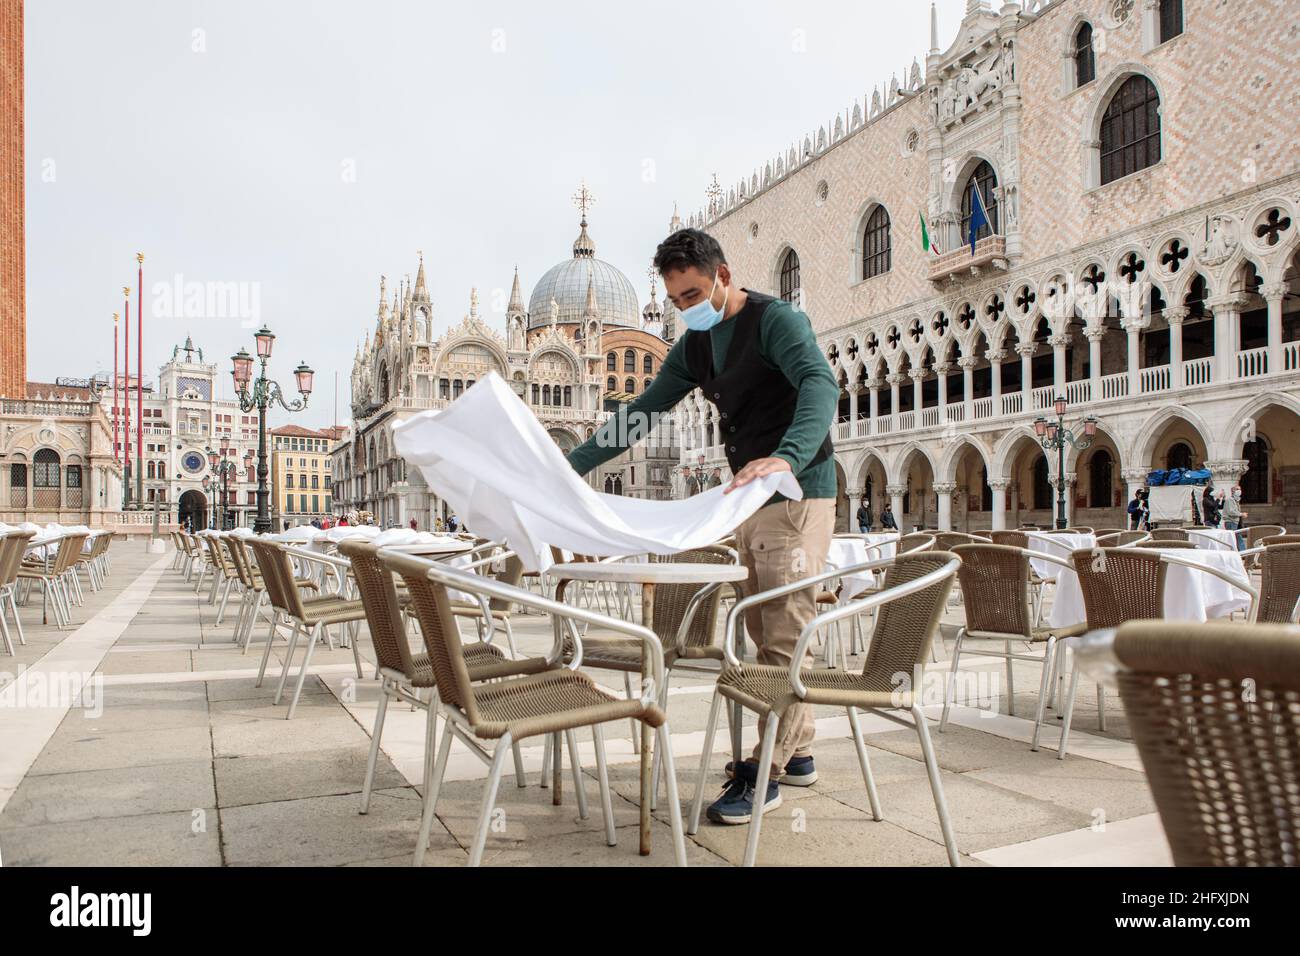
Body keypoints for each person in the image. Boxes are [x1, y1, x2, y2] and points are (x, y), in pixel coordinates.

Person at [565, 227, 838, 825]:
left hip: (797, 492)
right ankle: (800, 751)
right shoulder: (696, 345)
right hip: (746, 498)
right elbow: (641, 413)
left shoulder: (777, 321)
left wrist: (788, 455)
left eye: (693, 294)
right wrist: (569, 467)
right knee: (764, 622)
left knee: (781, 637)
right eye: (676, 300)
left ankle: (764, 771)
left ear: (722, 275)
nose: (686, 307)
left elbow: (822, 383)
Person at [1220, 485, 1245, 549]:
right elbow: (1231, 512)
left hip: (1235, 522)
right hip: (1231, 521)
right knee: (1234, 538)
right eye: (1237, 489)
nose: (1239, 491)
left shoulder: (1236, 500)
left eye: (1240, 489)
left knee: (1238, 538)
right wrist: (1241, 514)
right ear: (1233, 491)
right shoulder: (1230, 500)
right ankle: (1241, 552)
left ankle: (1241, 552)